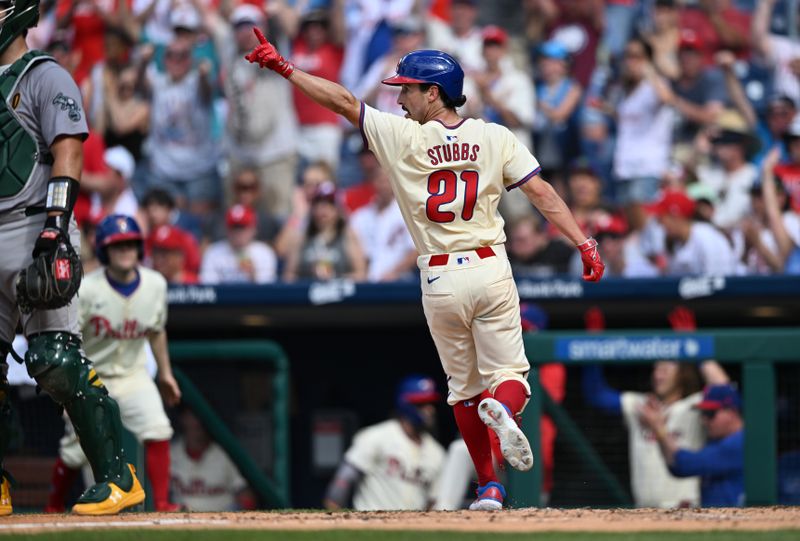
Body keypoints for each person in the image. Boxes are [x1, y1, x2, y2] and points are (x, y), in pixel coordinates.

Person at [245, 34, 605, 509]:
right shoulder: (494, 136)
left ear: (433, 92)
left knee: (464, 392)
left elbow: (343, 101)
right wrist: (583, 242)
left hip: (438, 277)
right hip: (490, 266)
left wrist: (286, 68)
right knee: (510, 377)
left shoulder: (403, 137)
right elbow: (543, 196)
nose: (399, 97)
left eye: (408, 89)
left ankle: (489, 486)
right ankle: (505, 415)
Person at [0, 0, 143, 516]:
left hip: (36, 223)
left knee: (54, 360)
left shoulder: (44, 73)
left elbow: (69, 149)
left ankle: (116, 476)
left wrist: (56, 227)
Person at [45, 215, 181, 513]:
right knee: (74, 451)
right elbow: (70, 339)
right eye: (117, 245)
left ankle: (161, 503)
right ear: (105, 250)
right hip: (94, 377)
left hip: (134, 375)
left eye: (130, 244)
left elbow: (157, 331)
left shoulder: (156, 284)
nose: (125, 250)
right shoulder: (88, 288)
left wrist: (166, 374)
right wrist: (70, 388)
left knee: (157, 428)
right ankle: (53, 507)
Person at [582, 306, 729, 508]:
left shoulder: (694, 406)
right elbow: (596, 394)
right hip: (644, 511)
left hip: (684, 510)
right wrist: (592, 346)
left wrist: (695, 345)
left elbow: (723, 387)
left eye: (667, 367)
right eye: (656, 367)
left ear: (682, 372)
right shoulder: (640, 404)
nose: (659, 373)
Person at [323, 375, 446, 511]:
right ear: (406, 404)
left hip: (412, 529)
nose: (430, 410)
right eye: (422, 404)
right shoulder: (376, 437)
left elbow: (434, 502)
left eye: (431, 404)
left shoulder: (437, 453)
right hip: (370, 524)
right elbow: (344, 479)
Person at [639, 383, 745, 507]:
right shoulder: (719, 441)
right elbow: (676, 467)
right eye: (703, 414)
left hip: (744, 522)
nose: (704, 420)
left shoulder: (740, 442)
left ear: (731, 412)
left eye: (710, 414)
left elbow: (683, 464)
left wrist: (659, 427)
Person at [171, 407, 256, 512]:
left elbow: (245, 494)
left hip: (220, 521)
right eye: (193, 416)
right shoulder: (171, 453)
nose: (197, 422)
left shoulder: (224, 454)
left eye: (201, 416)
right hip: (182, 521)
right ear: (183, 418)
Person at [350, 169, 417, 282]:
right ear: (373, 182)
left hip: (400, 282)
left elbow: (415, 251)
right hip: (369, 282)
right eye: (380, 180)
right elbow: (358, 252)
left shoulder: (406, 213)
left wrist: (394, 272)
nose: (384, 185)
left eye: (387, 181)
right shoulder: (361, 216)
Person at [200, 204, 278, 284]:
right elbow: (209, 289)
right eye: (235, 227)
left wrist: (253, 276)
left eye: (243, 227)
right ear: (227, 229)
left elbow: (268, 292)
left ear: (253, 229)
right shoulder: (213, 252)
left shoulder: (265, 253)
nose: (238, 233)